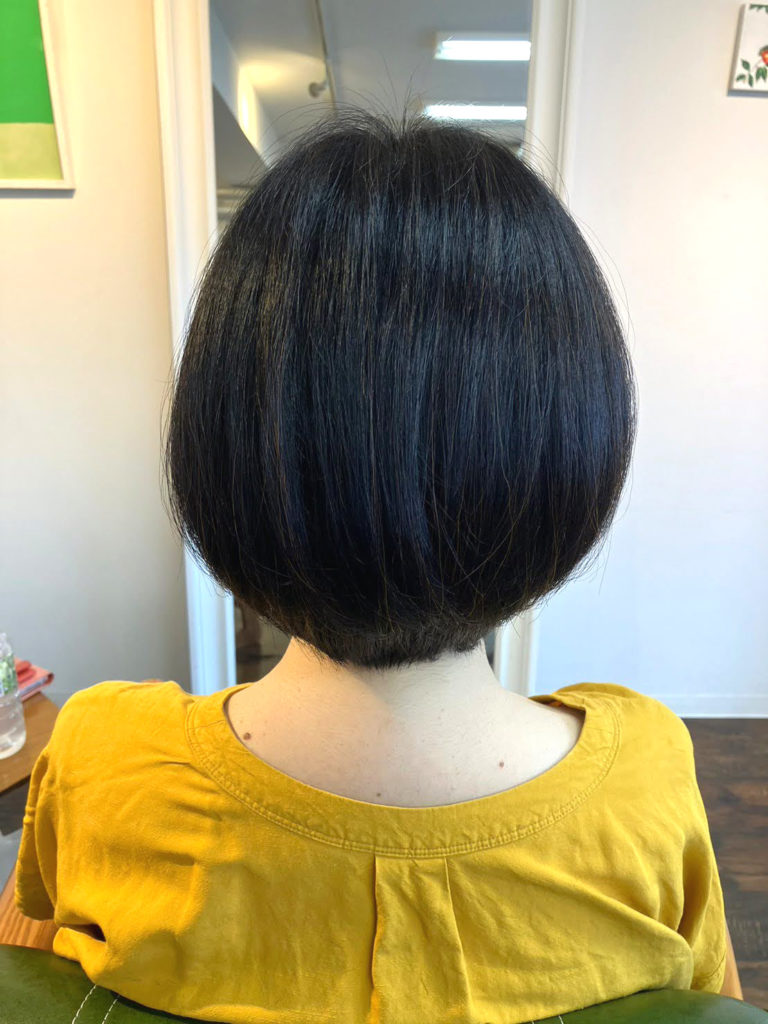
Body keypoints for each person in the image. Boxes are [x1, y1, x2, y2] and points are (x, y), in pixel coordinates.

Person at [13, 108, 741, 1022]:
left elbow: (30, 990)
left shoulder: (100, 761)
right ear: (568, 450)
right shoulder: (646, 779)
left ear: (224, 446)